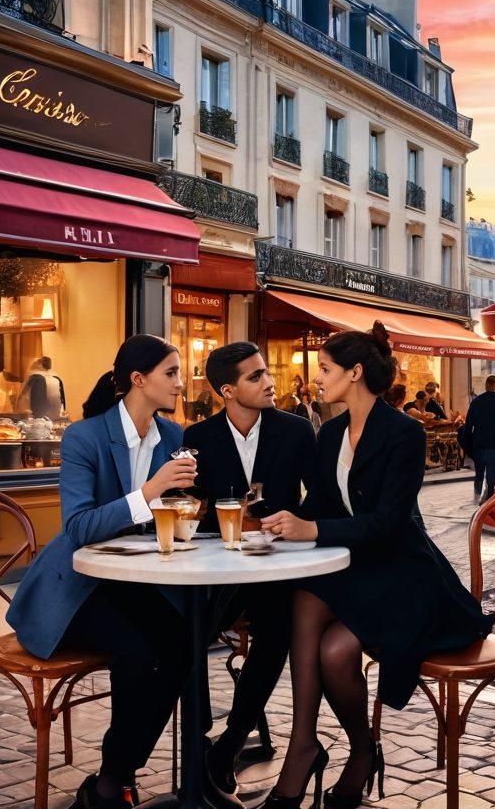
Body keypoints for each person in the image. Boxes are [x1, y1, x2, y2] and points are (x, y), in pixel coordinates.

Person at [259, 324, 495, 809]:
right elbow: (322, 506)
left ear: (355, 372)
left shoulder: (404, 433)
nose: (316, 378)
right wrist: (282, 520)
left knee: (332, 650)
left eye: (325, 369)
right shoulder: (330, 435)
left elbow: (389, 522)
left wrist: (313, 531)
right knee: (305, 598)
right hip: (357, 570)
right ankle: (314, 745)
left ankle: (345, 751)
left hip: (403, 574)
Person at [7, 335, 200, 809]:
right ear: (139, 380)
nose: (181, 383)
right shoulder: (84, 436)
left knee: (184, 645)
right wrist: (152, 491)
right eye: (171, 374)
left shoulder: (174, 437)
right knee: (137, 652)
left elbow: (177, 510)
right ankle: (114, 784)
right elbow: (79, 526)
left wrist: (191, 507)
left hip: (136, 581)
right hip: (77, 586)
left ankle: (113, 780)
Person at [184, 343, 316, 807]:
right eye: (256, 376)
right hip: (218, 568)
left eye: (267, 373)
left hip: (278, 567)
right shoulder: (197, 436)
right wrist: (228, 522)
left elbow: (318, 499)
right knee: (187, 627)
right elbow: (190, 509)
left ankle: (233, 741)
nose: (269, 382)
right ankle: (196, 741)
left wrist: (286, 523)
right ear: (226, 390)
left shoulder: (297, 431)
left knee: (277, 630)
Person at [463, 375, 495, 504]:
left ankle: (475, 499)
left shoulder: (476, 402)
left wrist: (468, 445)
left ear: (486, 385)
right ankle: (488, 504)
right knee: (491, 476)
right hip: (494, 443)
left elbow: (468, 424)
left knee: (479, 474)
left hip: (479, 443)